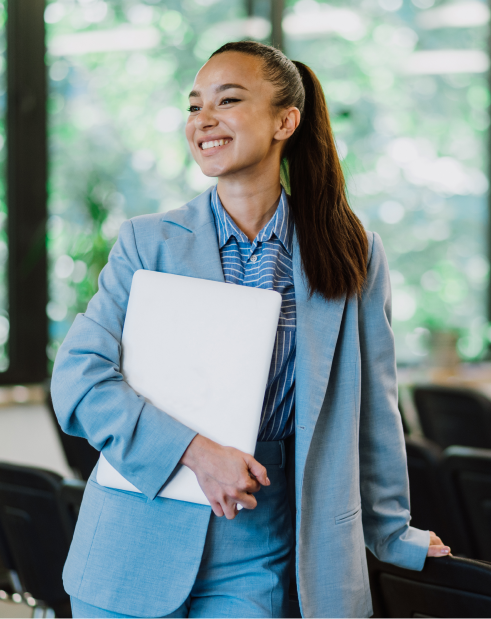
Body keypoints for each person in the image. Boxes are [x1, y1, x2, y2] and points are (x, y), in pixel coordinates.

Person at [51, 41, 450, 619]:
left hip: (263, 544)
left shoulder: (350, 250)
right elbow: (78, 380)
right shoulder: (148, 242)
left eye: (227, 100)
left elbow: (373, 410)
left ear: (286, 120)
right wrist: (195, 452)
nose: (203, 120)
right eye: (194, 106)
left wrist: (392, 533)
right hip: (134, 541)